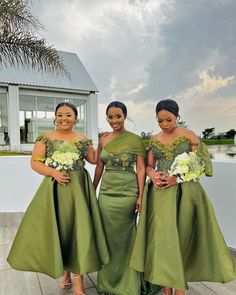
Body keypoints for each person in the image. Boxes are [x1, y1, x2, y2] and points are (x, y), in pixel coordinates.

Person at [130, 99, 236, 295]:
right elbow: (150, 166)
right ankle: (166, 288)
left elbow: (200, 164)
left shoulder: (190, 136)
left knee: (182, 239)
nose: (164, 125)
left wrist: (177, 179)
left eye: (168, 120)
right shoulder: (154, 139)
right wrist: (153, 176)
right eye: (160, 121)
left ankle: (179, 290)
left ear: (177, 116)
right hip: (160, 194)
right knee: (164, 240)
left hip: (186, 193)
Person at [7, 102, 109, 295]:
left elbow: (94, 160)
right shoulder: (45, 138)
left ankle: (77, 278)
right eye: (60, 114)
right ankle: (65, 272)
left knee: (77, 230)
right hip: (56, 190)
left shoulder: (83, 139)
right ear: (55, 117)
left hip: (79, 190)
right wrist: (53, 172)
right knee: (61, 230)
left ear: (75, 118)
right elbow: (35, 163)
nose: (64, 118)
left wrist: (100, 142)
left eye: (68, 115)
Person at [93, 101, 146, 295]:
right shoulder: (103, 139)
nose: (114, 120)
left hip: (128, 192)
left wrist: (141, 195)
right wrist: (93, 189)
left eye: (118, 116)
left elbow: (140, 169)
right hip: (107, 193)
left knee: (126, 238)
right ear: (106, 118)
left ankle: (128, 284)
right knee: (107, 237)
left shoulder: (135, 140)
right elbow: (99, 166)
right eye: (111, 117)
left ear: (125, 116)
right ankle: (108, 283)